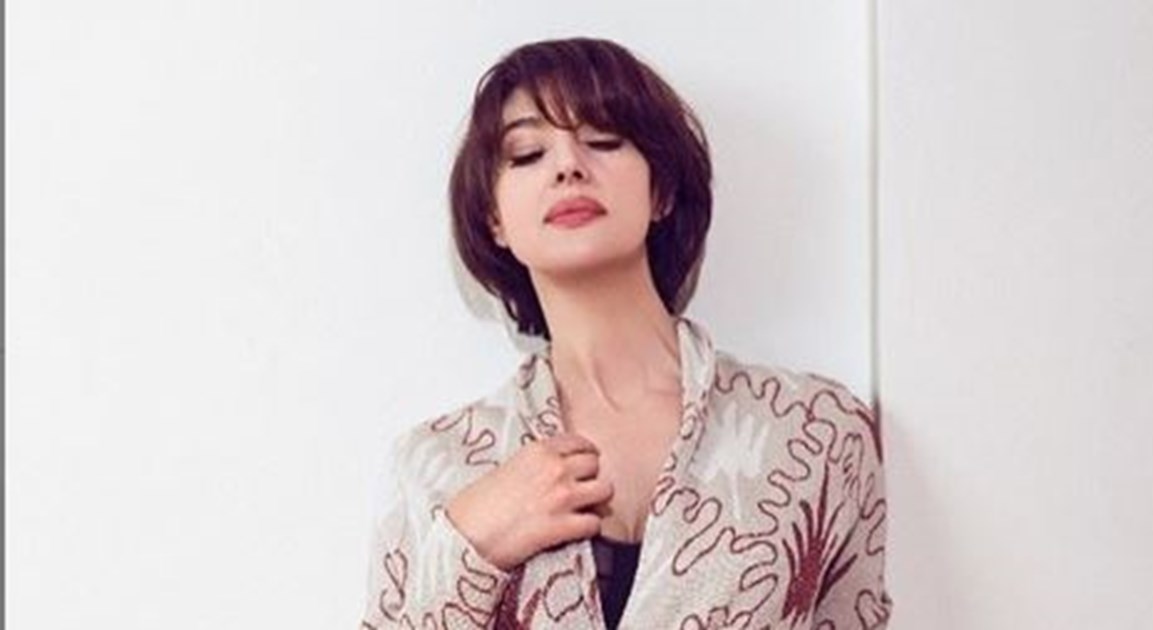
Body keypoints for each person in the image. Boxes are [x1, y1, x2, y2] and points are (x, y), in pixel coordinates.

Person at [358, 36, 892, 629]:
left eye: (604, 140)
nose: (568, 166)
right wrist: (473, 546)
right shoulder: (435, 466)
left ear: (660, 190)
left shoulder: (815, 432)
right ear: (494, 219)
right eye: (527, 153)